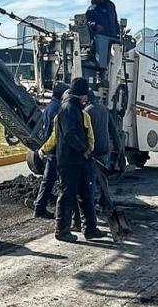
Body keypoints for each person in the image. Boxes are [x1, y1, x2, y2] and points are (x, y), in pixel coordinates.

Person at [40, 78, 106, 242]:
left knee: (85, 194)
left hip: (79, 160)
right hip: (69, 161)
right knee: (67, 195)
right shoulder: (68, 109)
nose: (86, 99)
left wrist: (85, 153)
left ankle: (90, 228)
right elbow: (69, 135)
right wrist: (84, 150)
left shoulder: (75, 108)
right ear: (81, 95)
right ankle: (61, 230)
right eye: (85, 95)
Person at [31, 82, 70, 219]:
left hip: (50, 149)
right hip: (56, 149)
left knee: (48, 180)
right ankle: (65, 214)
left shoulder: (49, 107)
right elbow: (57, 133)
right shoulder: (58, 109)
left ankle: (39, 207)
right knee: (65, 182)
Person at [85, 0, 119, 74]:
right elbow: (87, 22)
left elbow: (114, 20)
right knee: (102, 62)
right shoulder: (92, 8)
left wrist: (118, 31)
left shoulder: (110, 6)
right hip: (100, 38)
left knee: (114, 62)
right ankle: (102, 75)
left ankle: (108, 75)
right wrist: (95, 25)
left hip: (112, 36)